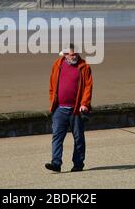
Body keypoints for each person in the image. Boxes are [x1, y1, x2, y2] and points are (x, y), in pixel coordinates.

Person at [45, 44, 93, 173]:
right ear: (65, 54)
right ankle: (56, 163)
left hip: (76, 109)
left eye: (76, 54)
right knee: (57, 137)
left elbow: (88, 87)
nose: (75, 56)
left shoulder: (84, 67)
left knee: (78, 138)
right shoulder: (57, 64)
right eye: (72, 54)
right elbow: (51, 84)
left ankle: (78, 164)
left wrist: (85, 104)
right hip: (59, 109)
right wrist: (52, 101)